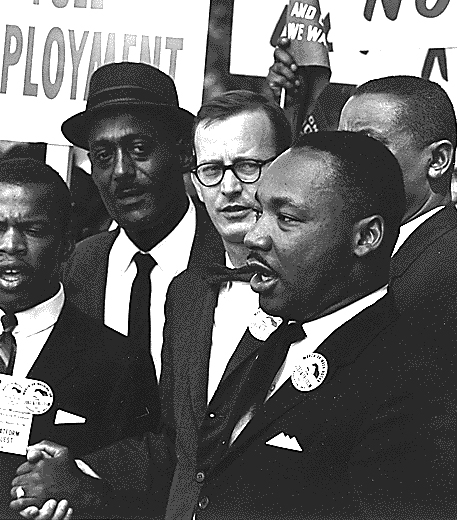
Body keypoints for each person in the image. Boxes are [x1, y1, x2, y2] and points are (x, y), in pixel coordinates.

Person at [10, 132, 455, 519]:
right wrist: (85, 478)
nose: (255, 236)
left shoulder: (420, 382)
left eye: (287, 218)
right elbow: (193, 456)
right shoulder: (270, 340)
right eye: (261, 212)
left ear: (365, 237)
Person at [61, 62, 225, 430]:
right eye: (103, 156)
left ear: (185, 154)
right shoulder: (79, 267)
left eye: (139, 148)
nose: (121, 172)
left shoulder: (231, 258)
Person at [0, 158, 156, 518]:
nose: (11, 245)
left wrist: (84, 495)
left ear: (67, 245)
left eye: (33, 230)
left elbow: (135, 497)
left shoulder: (119, 361)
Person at [267, 43, 457, 316]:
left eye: (370, 145)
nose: (347, 160)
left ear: (438, 160)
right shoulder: (356, 248)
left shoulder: (447, 266)